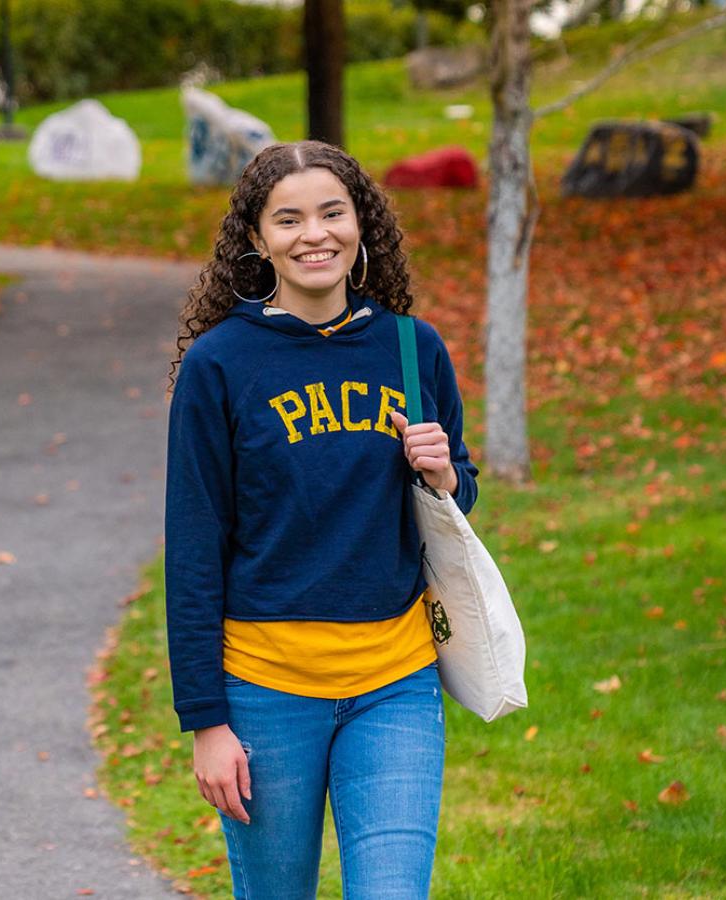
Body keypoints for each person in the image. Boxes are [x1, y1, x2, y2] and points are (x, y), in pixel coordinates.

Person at [163, 141, 479, 899]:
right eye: (289, 219)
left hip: (394, 681)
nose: (315, 234)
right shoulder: (221, 364)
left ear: (362, 224)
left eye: (333, 213)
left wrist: (443, 474)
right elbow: (194, 549)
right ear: (256, 239)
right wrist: (207, 721)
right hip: (266, 690)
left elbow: (456, 494)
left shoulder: (412, 348)